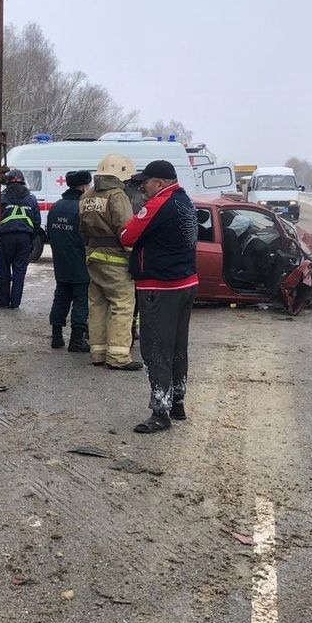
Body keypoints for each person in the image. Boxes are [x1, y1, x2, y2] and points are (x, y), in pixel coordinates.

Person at [119, 159, 198, 433]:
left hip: (160, 287)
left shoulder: (158, 204)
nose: (143, 188)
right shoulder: (185, 201)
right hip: (185, 283)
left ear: (160, 183)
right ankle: (177, 402)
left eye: (146, 183)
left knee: (156, 349)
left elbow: (127, 236)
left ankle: (160, 411)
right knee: (177, 347)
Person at [79, 154, 143, 371]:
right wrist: (133, 255)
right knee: (122, 305)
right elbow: (126, 229)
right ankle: (117, 357)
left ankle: (98, 352)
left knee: (97, 304)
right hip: (116, 259)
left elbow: (82, 230)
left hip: (93, 256)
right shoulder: (117, 195)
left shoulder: (86, 195)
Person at [45, 170, 91, 351]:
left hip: (61, 262)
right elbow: (86, 236)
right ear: (83, 186)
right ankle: (76, 340)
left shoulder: (56, 206)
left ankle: (56, 337)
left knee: (61, 297)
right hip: (79, 262)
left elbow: (50, 233)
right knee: (81, 300)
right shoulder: (82, 207)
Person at [0, 168, 40, 309]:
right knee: (19, 270)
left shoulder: (1, 198)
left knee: (4, 270)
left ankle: (3, 301)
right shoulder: (31, 198)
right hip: (24, 238)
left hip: (6, 237)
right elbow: (36, 220)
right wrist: (31, 237)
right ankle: (15, 303)